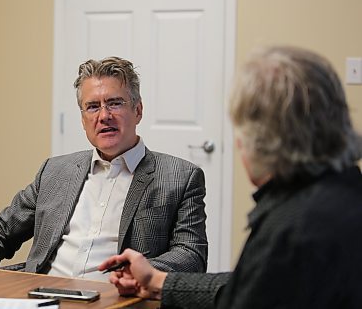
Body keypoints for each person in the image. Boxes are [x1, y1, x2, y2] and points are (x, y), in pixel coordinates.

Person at [99, 46, 362, 307]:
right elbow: (248, 283)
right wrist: (158, 281)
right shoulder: (345, 189)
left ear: (263, 140)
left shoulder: (293, 230)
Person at [0, 56, 208, 281]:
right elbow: (1, 227)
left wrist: (141, 272)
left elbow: (191, 254)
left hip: (116, 299)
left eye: (114, 103)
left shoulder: (180, 177)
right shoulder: (55, 171)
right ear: (83, 119)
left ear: (138, 110)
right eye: (92, 106)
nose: (104, 116)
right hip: (41, 295)